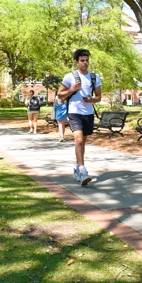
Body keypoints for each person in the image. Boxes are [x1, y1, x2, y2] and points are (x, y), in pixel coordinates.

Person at [57, 49, 102, 186]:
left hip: (88, 113)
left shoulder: (94, 77)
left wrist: (91, 100)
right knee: (79, 140)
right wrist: (72, 90)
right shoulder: (70, 77)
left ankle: (77, 167)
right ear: (77, 62)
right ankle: (83, 170)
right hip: (74, 111)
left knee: (82, 142)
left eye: (87, 60)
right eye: (82, 60)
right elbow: (59, 94)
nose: (85, 63)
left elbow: (99, 97)